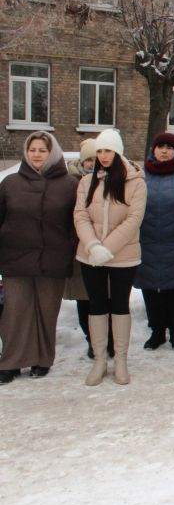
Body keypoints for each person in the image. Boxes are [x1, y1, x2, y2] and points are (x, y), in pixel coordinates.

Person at [0, 132, 79, 385]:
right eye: (32, 150)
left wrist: (70, 248)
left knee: (46, 311)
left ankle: (42, 359)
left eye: (42, 150)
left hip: (53, 259)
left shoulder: (69, 184)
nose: (36, 154)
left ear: (52, 153)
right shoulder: (10, 183)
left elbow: (75, 223)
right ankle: (11, 362)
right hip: (15, 258)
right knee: (15, 312)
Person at [74, 129, 147, 386]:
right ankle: (99, 359)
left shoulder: (136, 182)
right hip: (90, 255)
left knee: (119, 304)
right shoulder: (86, 182)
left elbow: (134, 219)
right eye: (100, 151)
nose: (103, 156)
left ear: (118, 152)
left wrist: (108, 247)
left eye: (108, 151)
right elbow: (80, 216)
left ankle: (121, 360)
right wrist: (94, 246)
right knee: (96, 304)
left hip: (123, 255)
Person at [136, 132, 174, 351]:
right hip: (148, 240)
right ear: (153, 150)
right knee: (151, 289)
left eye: (169, 147)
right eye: (160, 146)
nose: (164, 151)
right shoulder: (140, 175)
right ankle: (157, 331)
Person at [63, 138, 110, 359]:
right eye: (89, 159)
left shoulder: (113, 180)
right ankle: (92, 340)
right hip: (81, 249)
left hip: (108, 248)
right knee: (85, 298)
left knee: (107, 297)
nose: (93, 163)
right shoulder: (70, 183)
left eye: (96, 157)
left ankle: (108, 341)